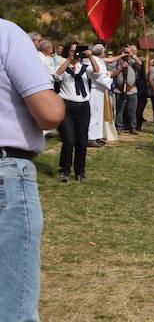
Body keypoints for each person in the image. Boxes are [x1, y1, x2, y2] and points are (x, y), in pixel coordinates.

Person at [0, 19, 64, 321]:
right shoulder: (7, 34)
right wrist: (56, 101)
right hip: (6, 170)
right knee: (12, 302)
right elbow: (49, 113)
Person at [55, 42, 100, 182]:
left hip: (83, 107)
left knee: (81, 141)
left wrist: (91, 57)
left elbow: (97, 73)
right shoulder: (62, 66)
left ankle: (80, 172)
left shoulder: (85, 68)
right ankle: (65, 170)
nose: (75, 53)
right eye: (72, 51)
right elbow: (57, 75)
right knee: (68, 140)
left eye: (76, 51)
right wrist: (68, 60)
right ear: (67, 52)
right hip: (67, 107)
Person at [111, 46, 140, 133]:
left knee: (132, 109)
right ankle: (119, 127)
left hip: (132, 89)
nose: (127, 54)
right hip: (119, 90)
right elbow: (112, 74)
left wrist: (132, 55)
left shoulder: (132, 62)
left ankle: (133, 127)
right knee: (119, 109)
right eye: (126, 52)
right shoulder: (116, 63)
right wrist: (121, 68)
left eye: (128, 52)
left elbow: (139, 63)